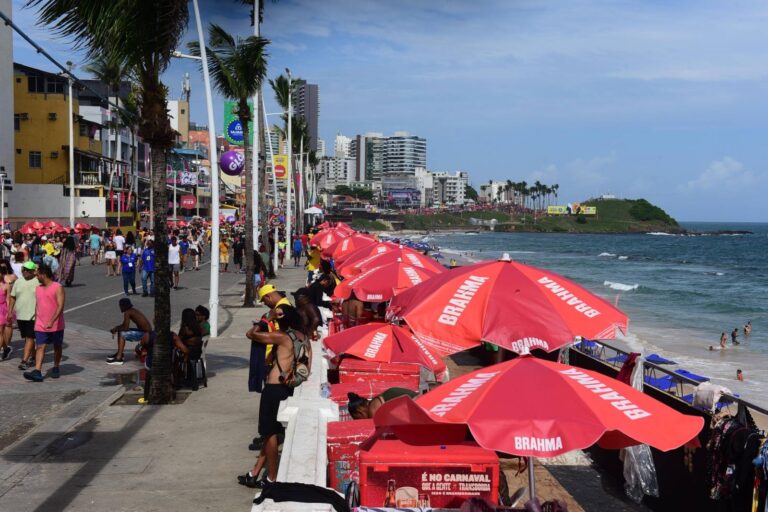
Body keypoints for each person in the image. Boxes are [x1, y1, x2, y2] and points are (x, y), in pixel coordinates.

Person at [239, 306, 309, 488]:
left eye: (278, 317)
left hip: (273, 389)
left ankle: (272, 477)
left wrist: (266, 318)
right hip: (288, 388)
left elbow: (251, 334)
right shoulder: (303, 338)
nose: (275, 320)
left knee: (269, 433)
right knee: (271, 433)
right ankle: (254, 473)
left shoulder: (281, 336)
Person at [23, 264, 65, 382]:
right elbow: (38, 304)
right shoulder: (38, 288)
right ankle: (37, 371)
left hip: (56, 324)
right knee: (40, 346)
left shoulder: (58, 287)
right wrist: (36, 317)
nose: (36, 276)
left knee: (57, 346)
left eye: (37, 273)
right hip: (40, 324)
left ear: (43, 274)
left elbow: (60, 306)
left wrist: (52, 320)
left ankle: (56, 366)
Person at [9, 261, 39, 369]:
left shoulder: (38, 282)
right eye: (23, 269)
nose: (24, 271)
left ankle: (24, 361)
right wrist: (10, 311)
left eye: (27, 270)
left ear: (33, 271)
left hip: (33, 315)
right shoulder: (18, 282)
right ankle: (34, 356)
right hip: (20, 315)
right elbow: (13, 297)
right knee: (27, 338)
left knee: (30, 337)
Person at [107, 298, 154, 365]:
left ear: (124, 306)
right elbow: (124, 325)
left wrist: (116, 329)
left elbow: (125, 328)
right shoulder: (131, 311)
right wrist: (117, 328)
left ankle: (119, 358)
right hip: (145, 332)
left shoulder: (127, 312)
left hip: (146, 334)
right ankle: (119, 353)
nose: (119, 307)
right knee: (120, 332)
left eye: (120, 306)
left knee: (122, 334)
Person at [173, 308, 204, 389]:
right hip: (198, 351)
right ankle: (188, 378)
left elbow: (178, 339)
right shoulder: (198, 326)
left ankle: (178, 379)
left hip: (190, 352)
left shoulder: (185, 328)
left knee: (175, 357)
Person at [348, 387, 419, 420]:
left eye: (357, 418)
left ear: (360, 411)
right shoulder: (375, 402)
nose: (360, 421)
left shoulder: (374, 410)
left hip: (418, 407)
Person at [0, 262, 15, 360]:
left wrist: (9, 312)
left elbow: (8, 299)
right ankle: (6, 348)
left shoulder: (7, 286)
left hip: (2, 310)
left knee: (0, 332)